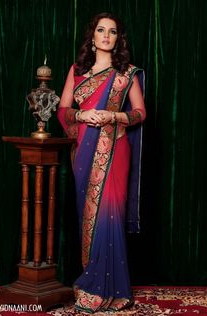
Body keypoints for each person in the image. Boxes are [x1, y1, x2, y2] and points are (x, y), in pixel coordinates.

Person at [57, 12, 146, 313]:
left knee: (110, 214)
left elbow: (139, 113)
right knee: (89, 215)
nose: (106, 35)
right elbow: (63, 110)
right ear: (92, 37)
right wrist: (82, 116)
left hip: (115, 149)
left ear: (118, 38)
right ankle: (91, 282)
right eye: (101, 30)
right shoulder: (78, 70)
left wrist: (113, 116)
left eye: (113, 31)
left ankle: (113, 289)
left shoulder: (126, 73)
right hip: (84, 150)